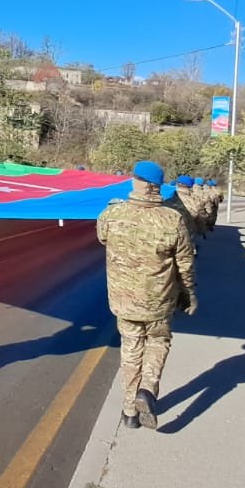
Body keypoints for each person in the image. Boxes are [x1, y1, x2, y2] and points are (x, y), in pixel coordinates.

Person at [96, 160, 196, 430]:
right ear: (157, 187)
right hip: (159, 302)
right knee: (158, 343)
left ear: (136, 181)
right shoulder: (173, 219)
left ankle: (129, 412)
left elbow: (102, 238)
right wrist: (189, 294)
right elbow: (185, 264)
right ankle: (147, 391)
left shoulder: (112, 215)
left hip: (123, 302)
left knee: (130, 351)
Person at [172, 175, 205, 239]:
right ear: (190, 186)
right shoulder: (194, 200)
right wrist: (201, 230)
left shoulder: (168, 196)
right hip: (187, 232)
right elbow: (199, 217)